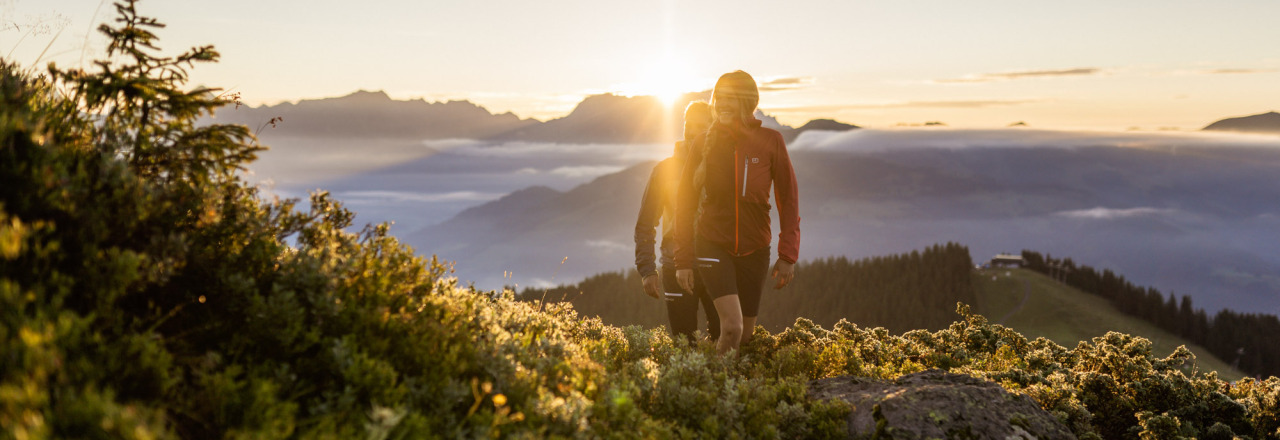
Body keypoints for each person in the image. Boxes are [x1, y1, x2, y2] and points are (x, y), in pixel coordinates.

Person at [675, 71, 799, 355]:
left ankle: (708, 369)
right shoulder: (703, 143)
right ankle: (714, 391)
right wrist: (683, 258)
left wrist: (788, 254)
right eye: (719, 98)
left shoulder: (771, 141)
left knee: (744, 336)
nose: (722, 104)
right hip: (711, 243)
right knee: (731, 327)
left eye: (731, 98)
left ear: (748, 101)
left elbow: (788, 199)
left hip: (755, 249)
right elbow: (685, 202)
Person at [635, 101, 720, 344]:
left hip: (718, 265)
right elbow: (645, 223)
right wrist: (647, 269)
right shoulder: (664, 171)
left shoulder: (722, 168)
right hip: (675, 265)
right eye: (688, 125)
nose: (692, 131)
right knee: (684, 344)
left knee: (725, 338)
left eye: (700, 126)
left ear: (712, 129)